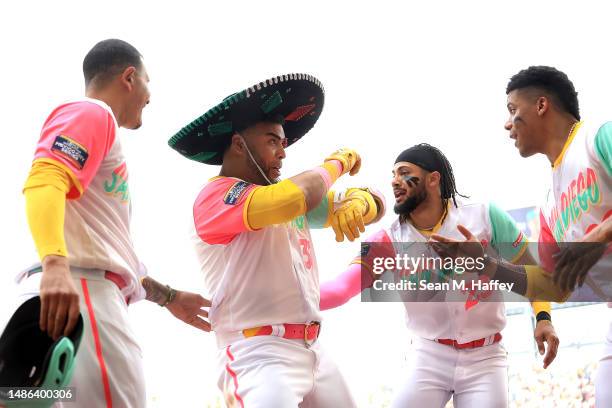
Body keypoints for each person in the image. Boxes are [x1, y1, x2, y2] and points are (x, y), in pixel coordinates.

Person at [12, 39, 211, 407]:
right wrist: (57, 265)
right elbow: (45, 179)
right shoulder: (93, 112)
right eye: (149, 82)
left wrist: (167, 297)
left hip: (66, 292)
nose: (151, 95)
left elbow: (103, 248)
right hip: (80, 294)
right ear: (130, 77)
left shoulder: (97, 130)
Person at [168, 73, 385, 407]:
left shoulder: (282, 196)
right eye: (272, 141)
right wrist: (339, 162)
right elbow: (295, 198)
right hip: (257, 355)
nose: (282, 153)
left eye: (283, 143)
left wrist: (364, 202)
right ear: (239, 144)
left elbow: (372, 202)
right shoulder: (216, 196)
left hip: (313, 350)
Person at [318, 143, 559, 408]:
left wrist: (543, 318)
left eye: (404, 173)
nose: (394, 181)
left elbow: (533, 274)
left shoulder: (484, 216)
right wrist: (281, 299)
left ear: (433, 179)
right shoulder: (388, 239)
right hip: (428, 356)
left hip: (486, 358)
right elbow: (341, 289)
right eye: (393, 174)